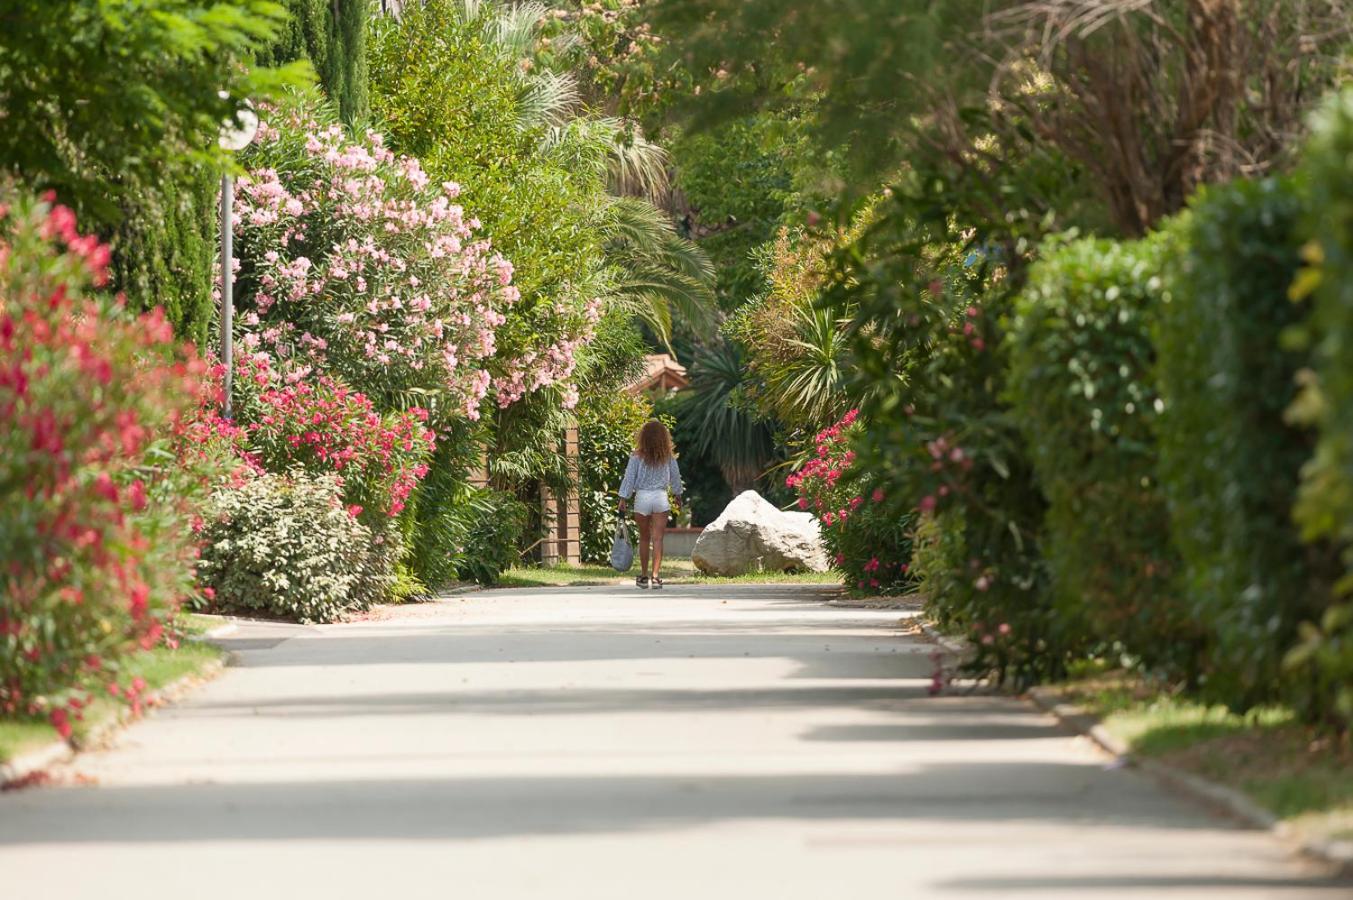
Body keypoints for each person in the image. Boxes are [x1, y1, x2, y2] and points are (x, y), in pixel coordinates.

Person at [617, 419, 683, 589]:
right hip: (660, 498)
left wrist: (623, 498)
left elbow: (629, 478)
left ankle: (643, 577)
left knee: (644, 538)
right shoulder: (668, 456)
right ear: (663, 437)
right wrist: (677, 495)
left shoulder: (636, 457)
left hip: (642, 498)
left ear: (643, 437)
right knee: (658, 539)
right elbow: (675, 476)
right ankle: (655, 577)